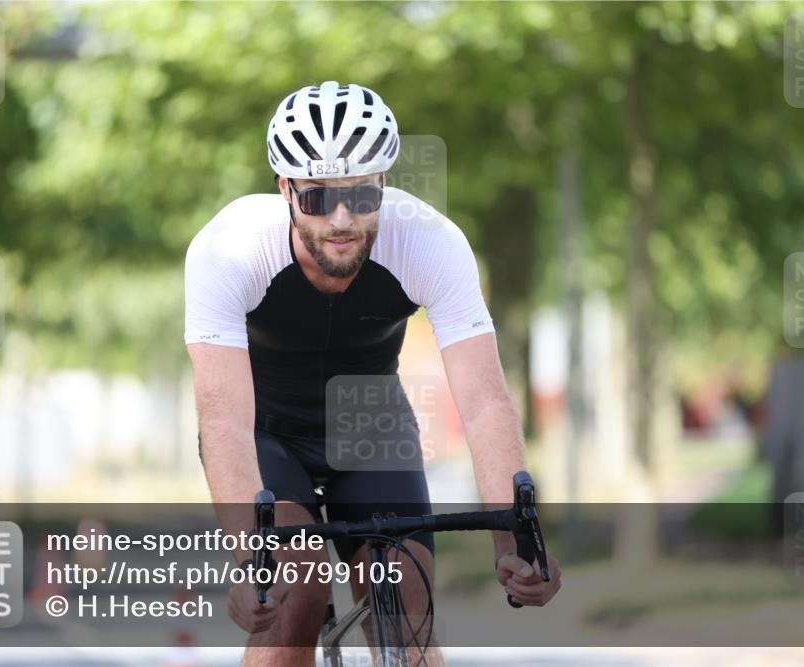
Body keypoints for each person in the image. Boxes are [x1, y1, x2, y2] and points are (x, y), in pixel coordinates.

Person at [184, 80, 561, 666]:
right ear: (285, 189)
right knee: (294, 591)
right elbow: (224, 418)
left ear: (384, 184)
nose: (341, 219)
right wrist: (251, 562)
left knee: (408, 606)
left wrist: (515, 544)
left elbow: (485, 401)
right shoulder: (230, 248)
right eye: (317, 199)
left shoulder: (430, 242)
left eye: (361, 197)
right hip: (267, 433)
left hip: (370, 428)